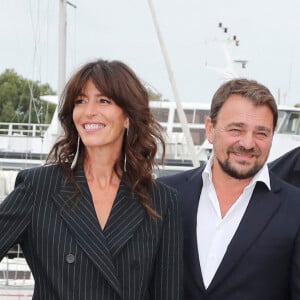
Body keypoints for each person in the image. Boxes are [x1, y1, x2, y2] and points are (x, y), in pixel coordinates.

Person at [0, 59, 183, 299]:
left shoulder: (161, 201)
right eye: (80, 101)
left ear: (128, 116)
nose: (88, 112)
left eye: (103, 101)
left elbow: (167, 294)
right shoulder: (39, 187)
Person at [159, 78, 300, 300]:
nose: (247, 143)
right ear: (210, 129)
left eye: (261, 133)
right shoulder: (165, 195)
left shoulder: (295, 209)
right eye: (236, 129)